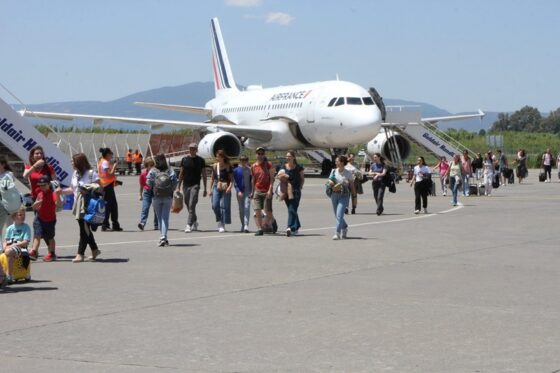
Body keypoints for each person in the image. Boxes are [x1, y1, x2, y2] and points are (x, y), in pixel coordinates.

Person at [62, 153, 101, 263]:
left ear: (80, 163)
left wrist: (88, 190)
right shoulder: (75, 174)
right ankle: (94, 249)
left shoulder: (91, 174)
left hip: (89, 205)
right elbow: (72, 189)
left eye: (73, 161)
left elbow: (99, 188)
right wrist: (62, 191)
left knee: (84, 229)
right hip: (79, 205)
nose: (72, 163)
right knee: (85, 228)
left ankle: (80, 254)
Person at [22, 145, 57, 260]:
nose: (39, 155)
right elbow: (25, 175)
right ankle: (40, 251)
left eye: (40, 153)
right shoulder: (28, 166)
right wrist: (35, 166)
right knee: (39, 224)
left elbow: (55, 182)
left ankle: (47, 252)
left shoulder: (49, 167)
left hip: (47, 199)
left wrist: (55, 196)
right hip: (35, 198)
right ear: (32, 156)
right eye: (36, 153)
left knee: (44, 224)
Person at [177, 143, 207, 233]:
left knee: (191, 204)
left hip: (195, 185)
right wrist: (178, 186)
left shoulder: (201, 160)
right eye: (190, 149)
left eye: (194, 149)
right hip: (186, 185)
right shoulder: (185, 159)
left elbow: (204, 174)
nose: (192, 150)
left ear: (196, 150)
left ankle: (188, 225)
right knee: (187, 203)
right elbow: (181, 174)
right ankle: (194, 220)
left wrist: (205, 188)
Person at [148, 154, 178, 246]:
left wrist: (154, 186)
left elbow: (149, 182)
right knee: (165, 217)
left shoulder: (153, 170)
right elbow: (175, 182)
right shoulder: (170, 170)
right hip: (168, 196)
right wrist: (171, 189)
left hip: (156, 196)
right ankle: (163, 236)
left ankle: (163, 237)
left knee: (159, 217)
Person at [32, 175, 62, 262]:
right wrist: (37, 204)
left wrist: (58, 195)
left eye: (44, 185)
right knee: (37, 235)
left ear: (48, 184)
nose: (42, 187)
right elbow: (34, 207)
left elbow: (59, 205)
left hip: (50, 219)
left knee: (50, 237)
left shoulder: (53, 194)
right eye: (40, 185)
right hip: (39, 218)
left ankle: (52, 253)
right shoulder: (40, 194)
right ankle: (34, 252)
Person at [327, 155, 355, 240]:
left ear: (342, 162)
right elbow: (329, 180)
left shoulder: (348, 173)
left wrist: (354, 197)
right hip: (334, 194)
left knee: (339, 214)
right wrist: (331, 182)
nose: (335, 163)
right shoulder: (333, 171)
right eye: (335, 161)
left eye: (337, 161)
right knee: (337, 214)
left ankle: (337, 233)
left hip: (344, 195)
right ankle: (345, 227)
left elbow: (352, 186)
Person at [277, 150, 305, 237]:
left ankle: (289, 227)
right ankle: (297, 226)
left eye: (289, 156)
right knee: (292, 209)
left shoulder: (299, 167)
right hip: (286, 191)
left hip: (296, 191)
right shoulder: (283, 166)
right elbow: (278, 176)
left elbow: (302, 178)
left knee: (292, 208)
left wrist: (300, 187)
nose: (287, 158)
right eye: (287, 156)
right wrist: (284, 176)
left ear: (293, 157)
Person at [251, 147, 276, 236]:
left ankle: (273, 221)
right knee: (257, 209)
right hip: (257, 190)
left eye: (262, 154)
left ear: (264, 155)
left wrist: (270, 190)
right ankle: (260, 228)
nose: (260, 155)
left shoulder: (268, 165)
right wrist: (252, 191)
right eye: (259, 153)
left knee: (267, 211)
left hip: (266, 191)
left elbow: (272, 179)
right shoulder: (253, 166)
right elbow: (253, 179)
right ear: (256, 154)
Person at [2, 207, 31, 284]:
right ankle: (2, 275)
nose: (23, 217)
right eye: (20, 215)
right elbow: (6, 240)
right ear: (14, 216)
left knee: (9, 252)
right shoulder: (10, 228)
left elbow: (26, 242)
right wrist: (5, 246)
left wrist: (13, 245)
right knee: (5, 251)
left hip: (21, 247)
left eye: (24, 215)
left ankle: (9, 275)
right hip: (11, 246)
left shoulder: (26, 227)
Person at [97, 148, 123, 231]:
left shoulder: (101, 161)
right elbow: (109, 175)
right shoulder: (105, 163)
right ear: (107, 154)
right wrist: (115, 166)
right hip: (107, 187)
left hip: (105, 185)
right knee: (111, 206)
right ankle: (108, 224)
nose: (112, 155)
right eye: (111, 153)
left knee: (110, 206)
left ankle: (109, 224)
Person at [209, 150, 233, 233]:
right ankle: (219, 219)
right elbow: (212, 178)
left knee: (224, 206)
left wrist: (230, 187)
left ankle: (222, 224)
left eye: (218, 156)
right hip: (216, 186)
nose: (217, 158)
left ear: (222, 157)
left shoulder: (228, 166)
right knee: (215, 205)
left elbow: (231, 179)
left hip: (226, 187)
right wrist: (210, 189)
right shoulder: (215, 166)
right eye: (216, 156)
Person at [138, 157, 158, 231]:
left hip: (155, 191)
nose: (151, 167)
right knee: (145, 208)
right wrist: (140, 194)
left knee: (156, 208)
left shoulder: (156, 172)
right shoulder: (143, 174)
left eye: (152, 165)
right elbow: (141, 185)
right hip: (147, 192)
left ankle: (156, 224)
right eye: (149, 165)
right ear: (146, 166)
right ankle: (142, 223)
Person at [233, 155, 252, 233]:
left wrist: (252, 191)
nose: (243, 161)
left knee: (247, 207)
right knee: (241, 209)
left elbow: (252, 181)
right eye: (242, 160)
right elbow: (235, 182)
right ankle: (242, 224)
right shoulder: (236, 170)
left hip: (248, 190)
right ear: (240, 161)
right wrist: (238, 191)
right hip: (240, 191)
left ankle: (246, 225)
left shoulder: (250, 170)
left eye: (245, 160)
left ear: (247, 161)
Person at [0, 156, 15, 245]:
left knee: (9, 226)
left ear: (3, 164)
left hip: (8, 203)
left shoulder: (9, 174)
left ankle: (9, 246)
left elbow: (10, 188)